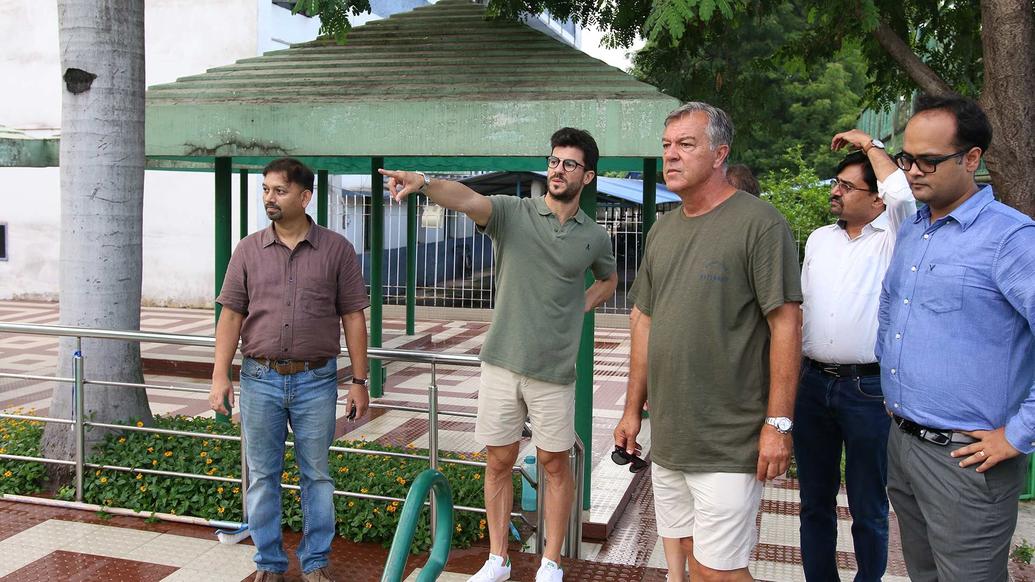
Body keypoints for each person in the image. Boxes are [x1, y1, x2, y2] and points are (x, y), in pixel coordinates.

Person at [379, 128, 618, 582]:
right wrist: (424, 182)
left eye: (569, 164)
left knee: (555, 464)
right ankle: (498, 559)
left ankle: (550, 562)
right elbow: (467, 199)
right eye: (553, 160)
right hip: (502, 362)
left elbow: (607, 280)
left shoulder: (595, 237)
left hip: (554, 370)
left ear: (586, 176)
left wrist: (579, 306)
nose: (558, 169)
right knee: (499, 460)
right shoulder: (514, 213)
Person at [613, 102, 802, 582]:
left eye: (686, 145)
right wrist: (633, 410)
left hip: (729, 439)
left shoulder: (760, 224)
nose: (671, 156)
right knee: (690, 556)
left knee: (719, 572)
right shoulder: (662, 230)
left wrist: (778, 425)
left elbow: (786, 324)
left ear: (720, 153)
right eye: (666, 146)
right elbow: (646, 323)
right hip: (672, 435)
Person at [878, 94, 1035, 581]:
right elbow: (891, 309)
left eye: (929, 160)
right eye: (907, 159)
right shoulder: (915, 229)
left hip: (967, 460)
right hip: (904, 445)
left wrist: (1020, 432)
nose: (914, 171)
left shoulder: (1010, 238)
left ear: (972, 158)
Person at [208, 158, 370, 582]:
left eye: (278, 191)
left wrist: (358, 380)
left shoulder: (337, 250)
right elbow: (231, 315)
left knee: (316, 476)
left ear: (304, 196)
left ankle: (315, 562)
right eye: (265, 190)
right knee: (262, 477)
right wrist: (219, 374)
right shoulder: (247, 250)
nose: (269, 198)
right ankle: (269, 562)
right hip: (259, 379)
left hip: (316, 380)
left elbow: (354, 316)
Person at [794, 134, 916, 581]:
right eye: (836, 183)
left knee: (868, 506)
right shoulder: (819, 240)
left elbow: (902, 189)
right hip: (812, 386)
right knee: (814, 503)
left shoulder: (896, 236)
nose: (836, 191)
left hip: (867, 389)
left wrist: (869, 144)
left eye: (848, 186)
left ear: (877, 200)